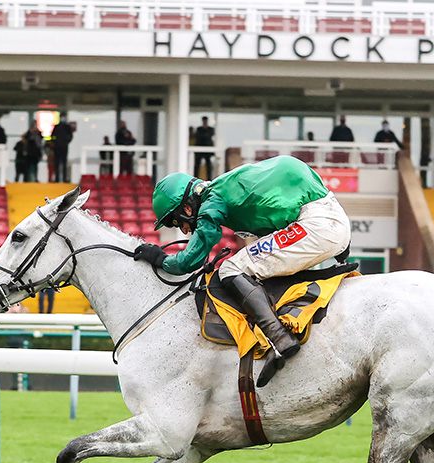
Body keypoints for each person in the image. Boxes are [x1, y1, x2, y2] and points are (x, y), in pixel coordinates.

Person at [133, 155, 351, 386]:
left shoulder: (212, 201)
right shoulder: (223, 186)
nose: (184, 230)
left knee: (231, 268)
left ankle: (278, 338)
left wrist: (160, 258)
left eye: (176, 222)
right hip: (330, 214)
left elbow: (189, 261)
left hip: (317, 225)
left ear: (187, 207)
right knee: (251, 263)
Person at [51, 113, 75, 183]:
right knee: (57, 163)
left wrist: (66, 141)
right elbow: (52, 136)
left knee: (64, 163)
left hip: (64, 147)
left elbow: (70, 136)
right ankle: (57, 179)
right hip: (57, 147)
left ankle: (64, 179)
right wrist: (55, 142)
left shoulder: (67, 127)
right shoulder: (57, 126)